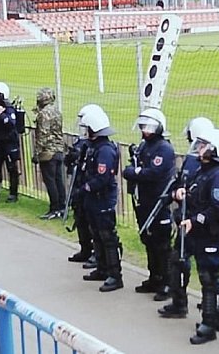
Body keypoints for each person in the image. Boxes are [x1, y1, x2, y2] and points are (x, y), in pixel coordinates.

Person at [160, 127, 219, 345]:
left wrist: (195, 219)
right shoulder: (202, 171)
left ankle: (211, 322)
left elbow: (216, 209)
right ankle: (180, 303)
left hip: (207, 234)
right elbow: (193, 192)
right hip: (192, 230)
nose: (200, 149)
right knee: (178, 261)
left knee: (209, 278)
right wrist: (181, 195)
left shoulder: (218, 176)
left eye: (204, 146)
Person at [123, 108, 176, 301]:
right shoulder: (145, 146)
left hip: (158, 203)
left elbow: (152, 173)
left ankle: (167, 282)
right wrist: (136, 170)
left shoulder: (164, 149)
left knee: (162, 246)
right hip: (144, 202)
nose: (145, 131)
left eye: (149, 127)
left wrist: (134, 172)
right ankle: (154, 277)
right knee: (149, 241)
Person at [78, 107, 123, 292]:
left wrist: (86, 188)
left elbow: (102, 178)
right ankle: (103, 268)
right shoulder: (93, 148)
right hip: (93, 199)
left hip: (102, 199)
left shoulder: (105, 150)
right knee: (96, 234)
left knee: (107, 237)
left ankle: (115, 274)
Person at [65, 104, 103, 264]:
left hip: (90, 188)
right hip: (79, 186)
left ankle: (96, 252)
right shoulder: (81, 142)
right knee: (80, 217)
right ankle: (85, 248)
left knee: (91, 222)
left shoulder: (98, 146)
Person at [33, 87, 66, 219]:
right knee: (59, 180)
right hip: (58, 149)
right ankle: (62, 206)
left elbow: (43, 134)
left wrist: (37, 152)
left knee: (50, 181)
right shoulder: (57, 111)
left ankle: (55, 207)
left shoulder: (43, 114)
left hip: (48, 152)